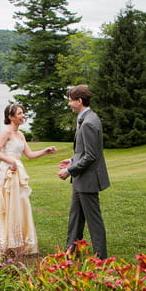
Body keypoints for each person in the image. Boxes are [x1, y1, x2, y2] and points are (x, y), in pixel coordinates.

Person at [0, 104, 56, 258]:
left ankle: (17, 242)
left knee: (19, 205)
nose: (23, 116)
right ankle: (3, 243)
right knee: (7, 206)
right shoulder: (6, 132)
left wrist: (45, 151)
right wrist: (10, 161)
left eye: (23, 113)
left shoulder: (20, 135)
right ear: (10, 117)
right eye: (20, 113)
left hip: (17, 172)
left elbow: (29, 154)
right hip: (7, 173)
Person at [58, 85, 110, 259]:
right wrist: (72, 160)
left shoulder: (88, 122)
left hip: (87, 180)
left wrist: (69, 171)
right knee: (75, 218)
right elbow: (84, 152)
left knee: (94, 221)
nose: (69, 104)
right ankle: (71, 252)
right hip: (82, 180)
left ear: (79, 101)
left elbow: (91, 156)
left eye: (70, 100)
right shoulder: (87, 118)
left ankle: (101, 258)